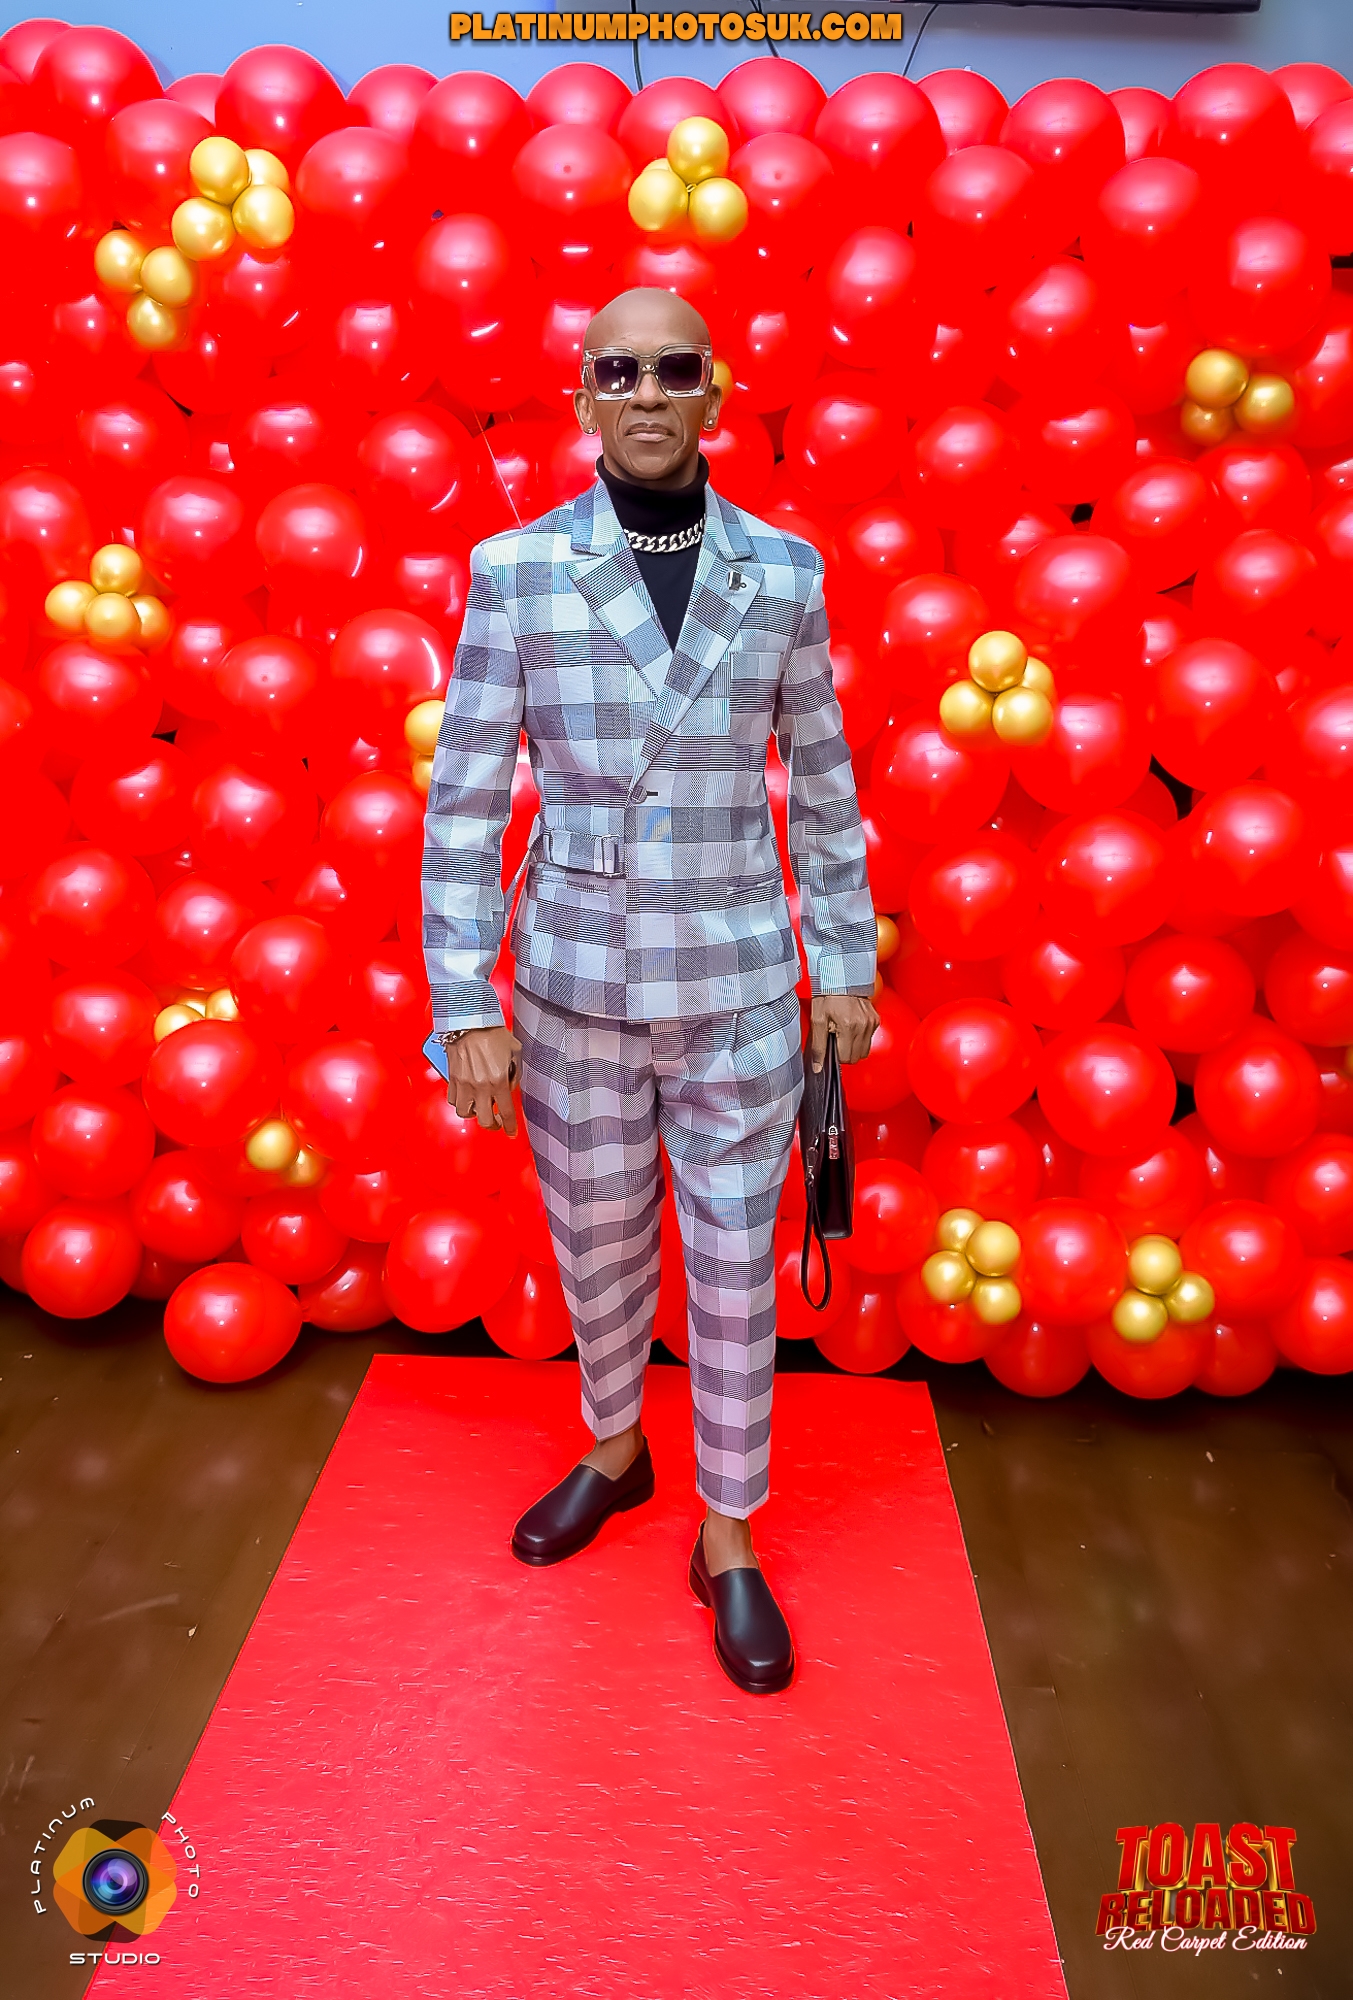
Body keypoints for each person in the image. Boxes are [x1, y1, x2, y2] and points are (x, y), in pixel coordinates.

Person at [422, 286, 878, 1695]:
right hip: (572, 987)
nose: (646, 394)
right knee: (598, 1244)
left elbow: (822, 785)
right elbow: (465, 800)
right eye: (616, 371)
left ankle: (727, 1532)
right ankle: (616, 1449)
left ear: (715, 392)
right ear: (581, 397)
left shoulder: (783, 573)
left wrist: (842, 964)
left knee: (735, 1269)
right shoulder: (515, 571)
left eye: (674, 368)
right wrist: (464, 1002)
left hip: (738, 985)